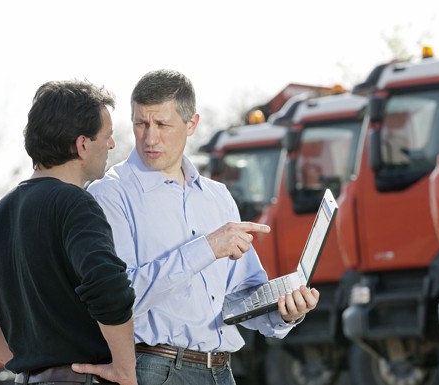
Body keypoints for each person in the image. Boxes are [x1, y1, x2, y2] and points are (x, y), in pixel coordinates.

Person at [74, 69, 320, 385]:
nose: (150, 137)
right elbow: (119, 301)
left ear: (192, 124)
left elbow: (238, 297)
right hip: (154, 369)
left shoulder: (217, 197)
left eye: (162, 125)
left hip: (221, 371)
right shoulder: (110, 194)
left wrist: (285, 311)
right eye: (141, 123)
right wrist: (206, 248)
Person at [0, 80, 138, 385]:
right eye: (108, 136)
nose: (111, 145)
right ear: (82, 145)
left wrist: (33, 364)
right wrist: (125, 372)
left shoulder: (1, 212)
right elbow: (108, 288)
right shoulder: (75, 203)